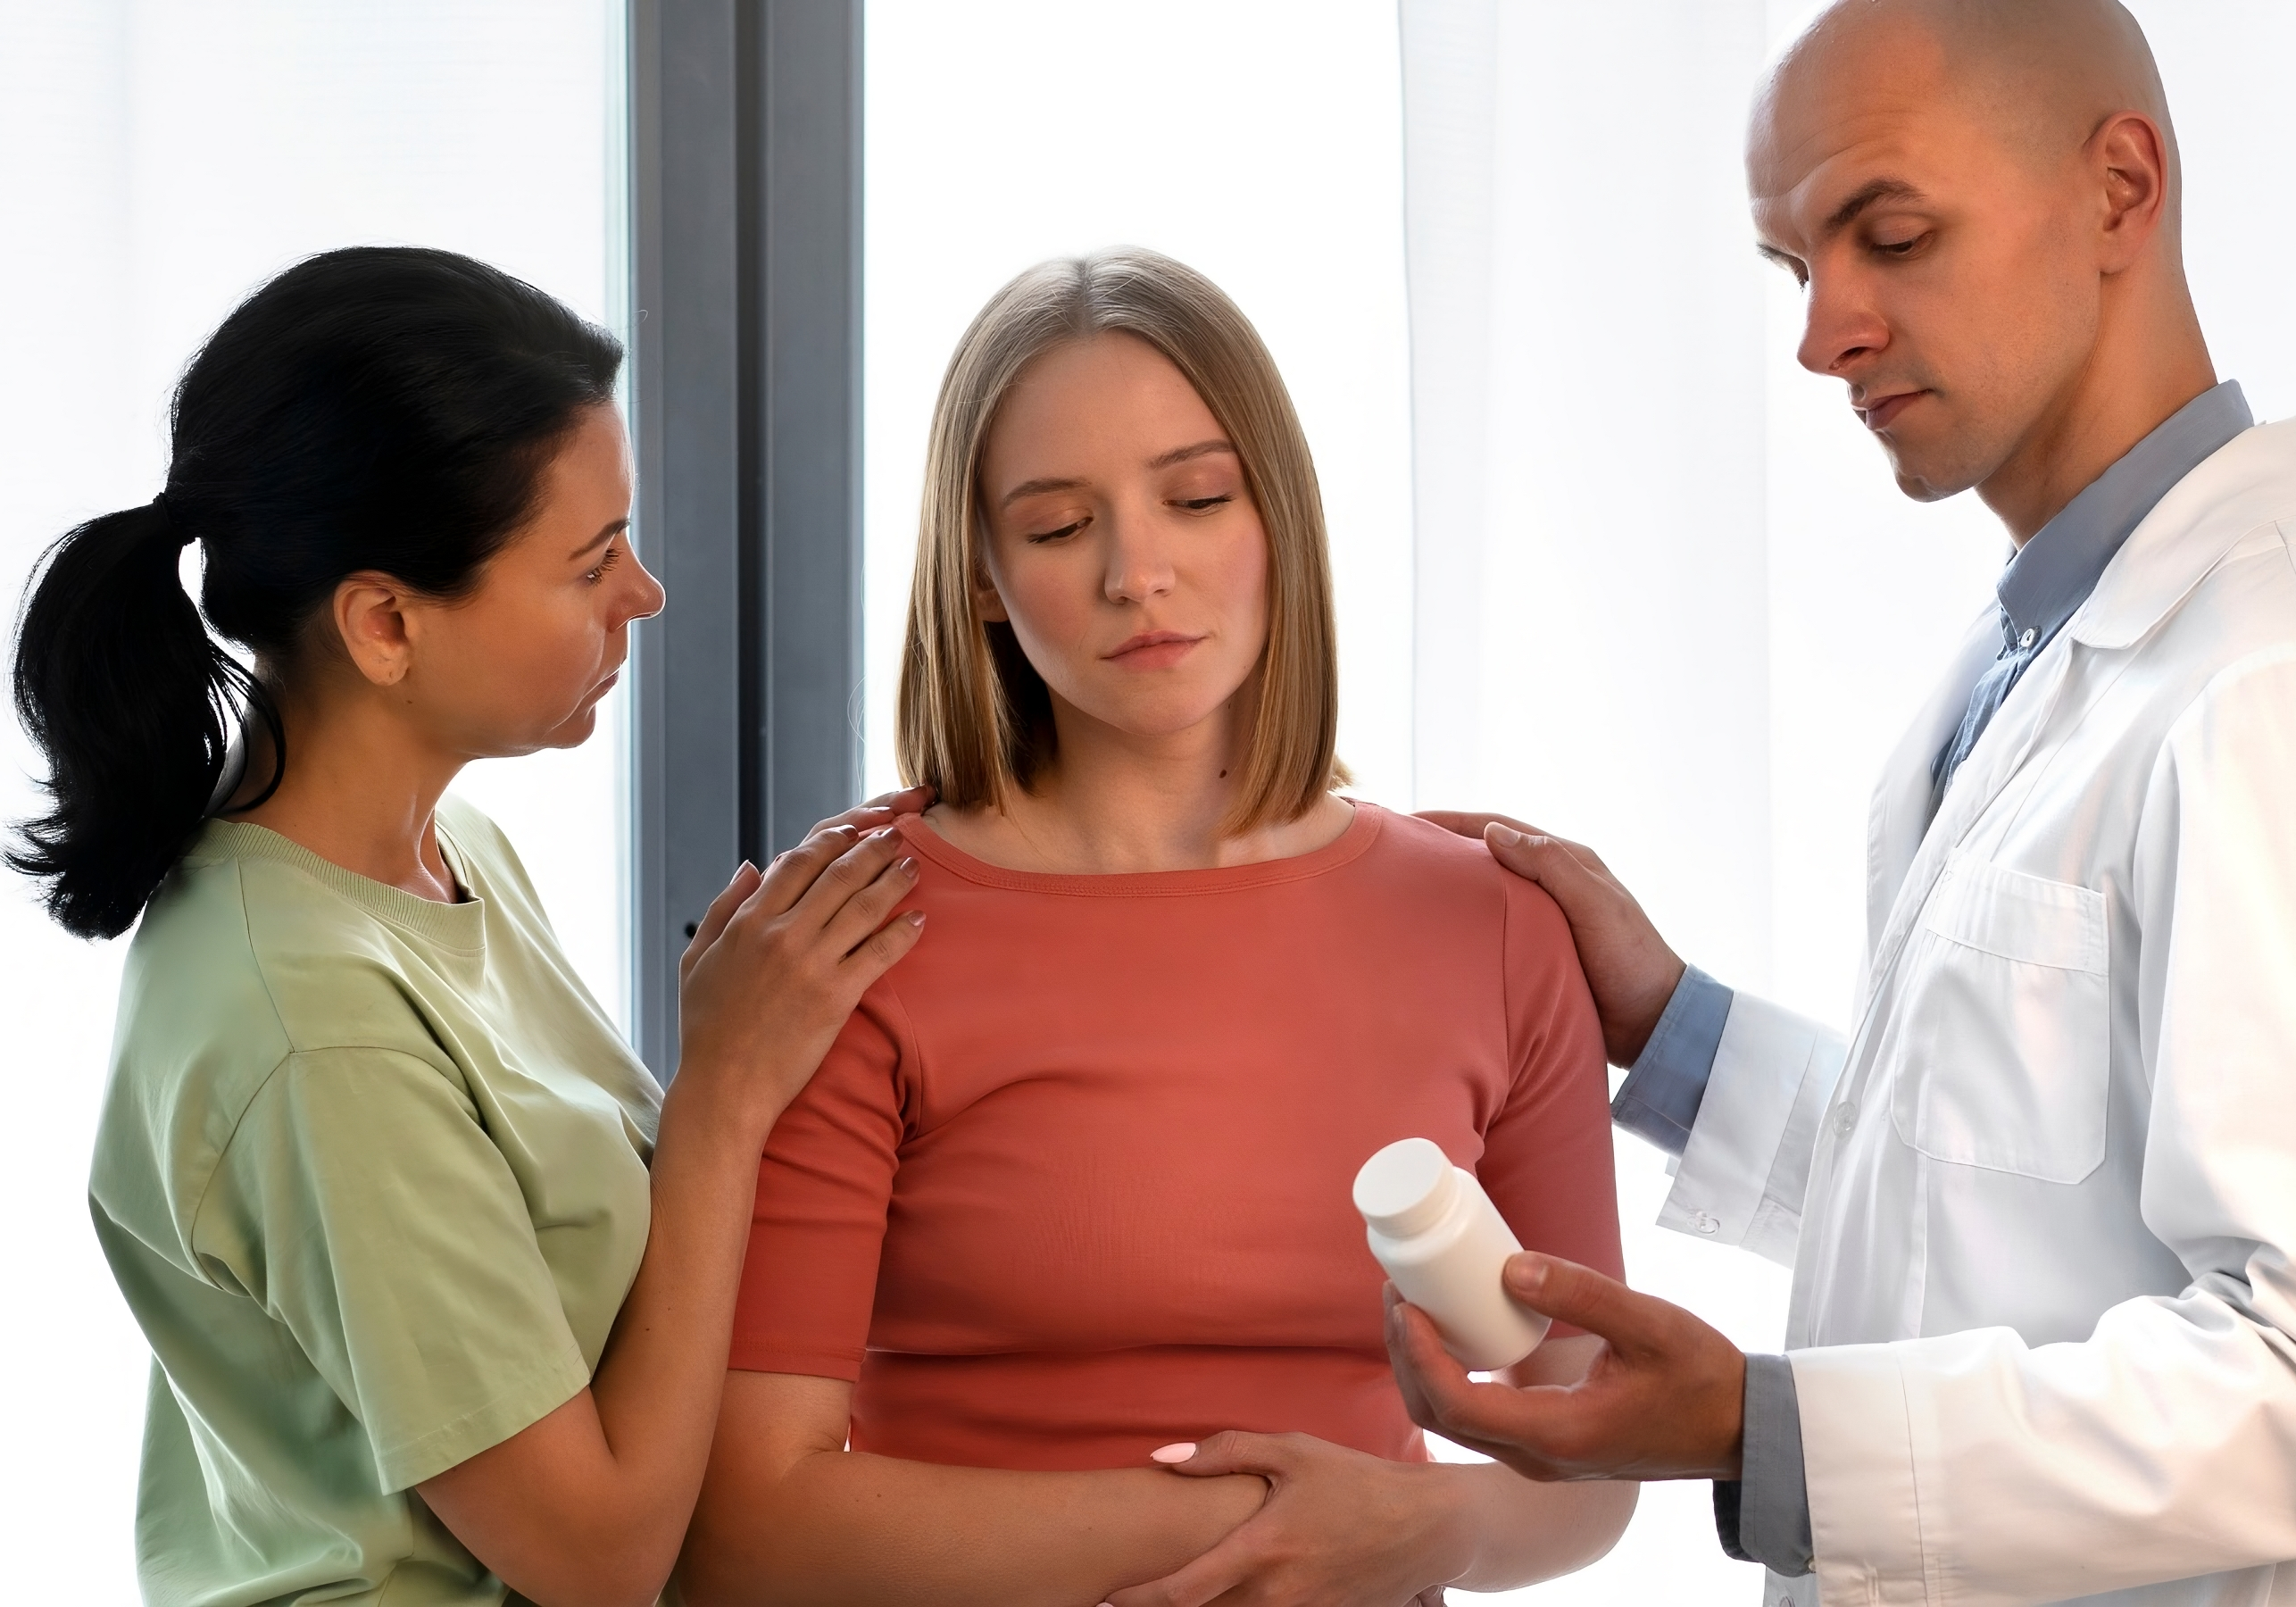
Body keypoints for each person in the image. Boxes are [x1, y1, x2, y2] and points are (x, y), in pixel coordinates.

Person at [1389, 4, 2296, 1605]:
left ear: (2121, 191)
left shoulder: (2295, 688)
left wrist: (1762, 1433)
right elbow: (2004, 1215)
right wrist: (1671, 1030)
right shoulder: (2041, 654)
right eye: (1796, 266)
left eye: (1891, 237)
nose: (1825, 336)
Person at [678, 248, 1636, 1607]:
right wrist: (1279, 1523)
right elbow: (747, 1524)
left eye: (1196, 499)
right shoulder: (847, 939)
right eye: (1059, 527)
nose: (1139, 573)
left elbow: (1591, 1455)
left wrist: (1427, 1529)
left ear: (1279, 518)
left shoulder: (1496, 927)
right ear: (982, 578)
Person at [12, 246, 926, 1607]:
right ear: (385, 623)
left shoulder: (451, 859)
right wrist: (724, 1094)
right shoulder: (315, 1026)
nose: (644, 596)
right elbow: (598, 1557)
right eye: (591, 563)